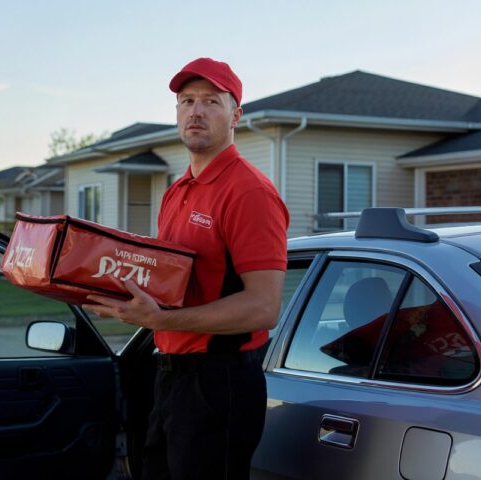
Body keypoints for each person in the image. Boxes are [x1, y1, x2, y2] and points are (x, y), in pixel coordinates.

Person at [84, 57, 290, 479]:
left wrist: (163, 318)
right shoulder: (177, 189)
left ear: (236, 115)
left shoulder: (249, 192)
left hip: (221, 383)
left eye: (211, 101)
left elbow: (264, 307)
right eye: (186, 100)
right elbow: (172, 281)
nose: (195, 111)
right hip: (171, 376)